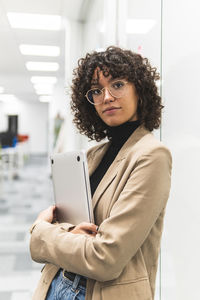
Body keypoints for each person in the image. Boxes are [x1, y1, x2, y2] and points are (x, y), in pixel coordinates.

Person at [30, 46, 172, 300]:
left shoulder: (152, 156)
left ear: (139, 89)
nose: (106, 97)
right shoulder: (94, 155)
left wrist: (41, 232)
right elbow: (70, 225)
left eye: (117, 85)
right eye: (96, 90)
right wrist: (67, 232)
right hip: (57, 283)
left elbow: (106, 258)